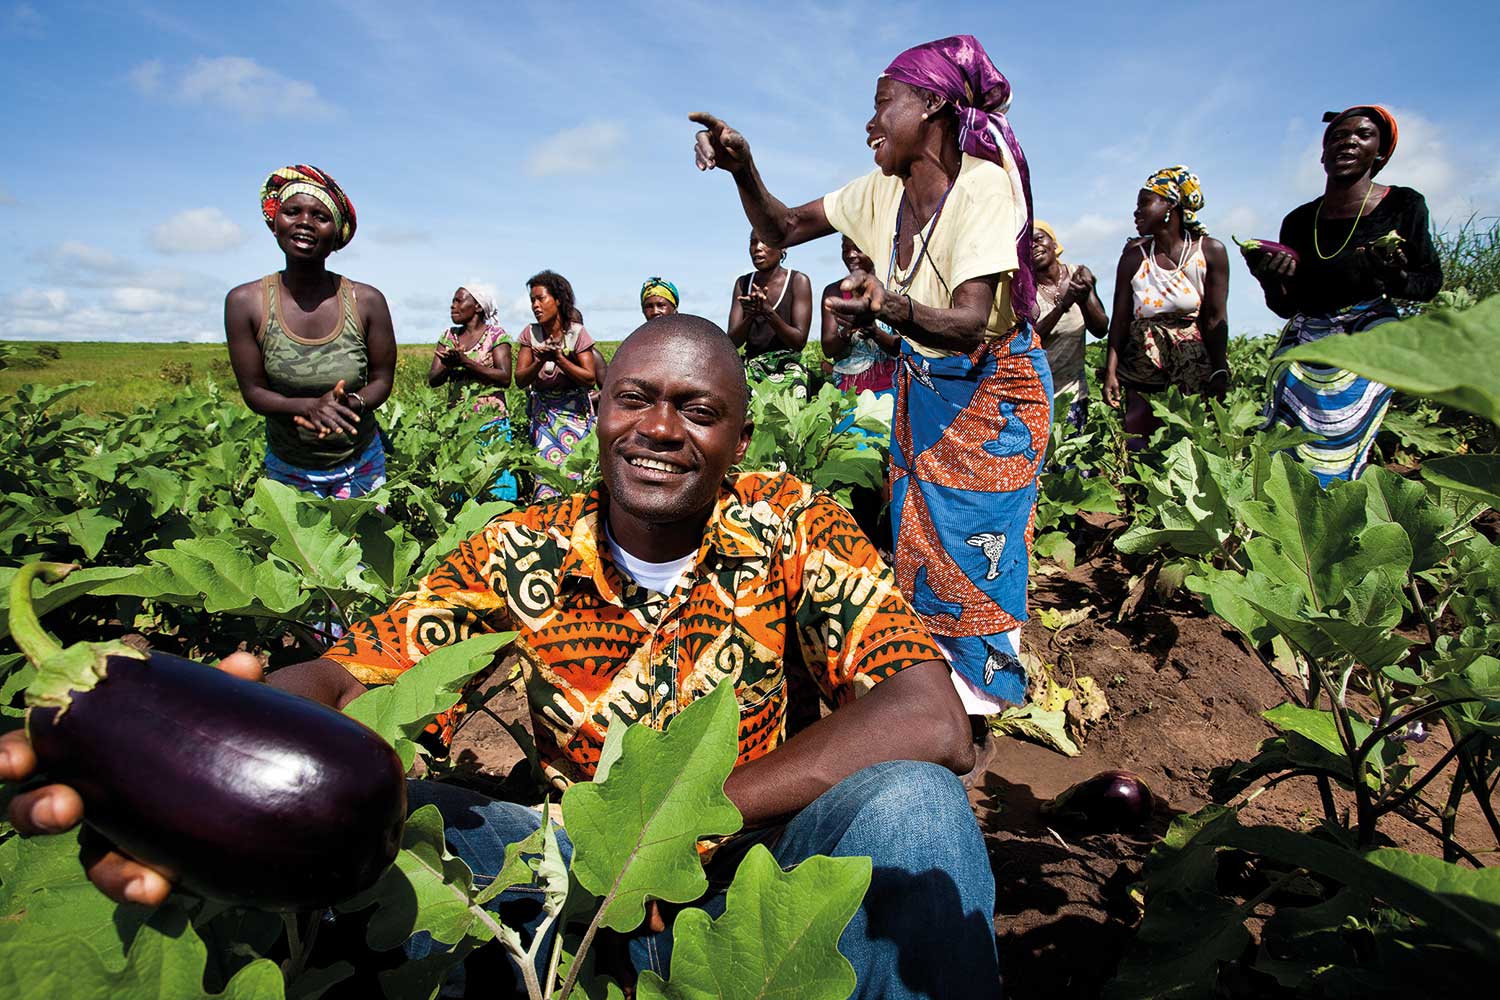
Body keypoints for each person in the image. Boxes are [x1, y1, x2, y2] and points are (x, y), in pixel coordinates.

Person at [3, 315, 999, 1000]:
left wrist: (667, 829)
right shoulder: (518, 548)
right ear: (598, 412)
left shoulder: (792, 521)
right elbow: (357, 671)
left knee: (915, 800)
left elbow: (930, 714)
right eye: (634, 399)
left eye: (696, 411)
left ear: (739, 439)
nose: (659, 427)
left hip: (755, 879)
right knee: (410, 820)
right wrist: (201, 739)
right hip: (566, 885)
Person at [691, 33, 1052, 718]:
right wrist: (744, 168)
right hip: (926, 386)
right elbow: (784, 223)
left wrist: (888, 304)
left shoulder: (982, 188)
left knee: (979, 550)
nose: (869, 124)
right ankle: (938, 700)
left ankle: (977, 710)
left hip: (994, 395)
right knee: (918, 543)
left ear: (934, 105)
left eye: (883, 104)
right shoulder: (877, 193)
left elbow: (973, 319)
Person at [1251, 105, 1442, 484]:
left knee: (1346, 431)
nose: (1348, 142)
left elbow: (1429, 282)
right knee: (1285, 433)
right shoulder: (1300, 220)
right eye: (1338, 136)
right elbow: (1286, 305)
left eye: (1362, 135)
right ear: (1323, 154)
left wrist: (1394, 274)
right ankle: (1289, 512)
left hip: (1368, 331)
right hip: (1309, 334)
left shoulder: (1403, 205)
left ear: (1381, 152)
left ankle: (1342, 505)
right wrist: (1268, 278)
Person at [224, 165, 396, 499]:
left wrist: (353, 403)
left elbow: (382, 380)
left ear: (336, 236)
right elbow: (253, 391)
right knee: (298, 552)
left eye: (320, 216)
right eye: (292, 212)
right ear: (275, 224)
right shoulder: (246, 302)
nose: (305, 221)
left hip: (359, 463)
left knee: (364, 550)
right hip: (289, 468)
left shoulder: (367, 301)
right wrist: (307, 407)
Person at [1101, 166, 1230, 442]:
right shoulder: (1134, 258)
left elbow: (1215, 317)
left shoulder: (1209, 251)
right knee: (1138, 437)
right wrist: (1110, 370)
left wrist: (1220, 368)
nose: (1137, 213)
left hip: (1192, 361)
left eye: (1144, 203)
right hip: (1143, 359)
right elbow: (1120, 318)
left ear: (1171, 205)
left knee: (1190, 437)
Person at [514, 270, 598, 499]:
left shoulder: (576, 333)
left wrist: (560, 359)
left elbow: (590, 377)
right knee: (547, 477)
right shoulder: (530, 334)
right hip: (544, 418)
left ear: (558, 300)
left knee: (578, 475)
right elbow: (520, 379)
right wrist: (540, 360)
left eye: (541, 298)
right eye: (532, 300)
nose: (535, 305)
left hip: (575, 416)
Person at [1031, 220, 1108, 430]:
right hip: (1037, 396)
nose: (1034, 246)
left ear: (1054, 244)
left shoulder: (1078, 275)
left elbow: (1100, 329)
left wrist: (1083, 297)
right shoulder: (1026, 292)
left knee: (1071, 460)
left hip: (1074, 392)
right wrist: (1063, 305)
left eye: (1039, 239)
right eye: (1027, 245)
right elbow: (1030, 340)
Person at [727, 233, 813, 399]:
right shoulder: (743, 283)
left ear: (783, 247)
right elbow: (733, 342)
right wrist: (751, 315)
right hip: (752, 369)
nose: (757, 248)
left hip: (789, 368)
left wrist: (768, 312)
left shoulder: (798, 281)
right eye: (753, 242)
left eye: (765, 241)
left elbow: (799, 341)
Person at [822, 236, 901, 400]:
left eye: (858, 248)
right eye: (845, 249)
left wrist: (873, 331)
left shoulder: (894, 288)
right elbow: (828, 349)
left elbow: (903, 348)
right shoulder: (835, 291)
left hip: (893, 388)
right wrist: (848, 330)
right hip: (849, 392)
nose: (851, 254)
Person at [427, 283, 513, 417]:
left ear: (478, 307)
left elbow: (505, 378)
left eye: (459, 301)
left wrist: (465, 362)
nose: (453, 305)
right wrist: (449, 366)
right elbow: (433, 380)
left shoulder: (496, 336)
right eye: (453, 301)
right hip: (456, 421)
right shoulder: (449, 336)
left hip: (490, 420)